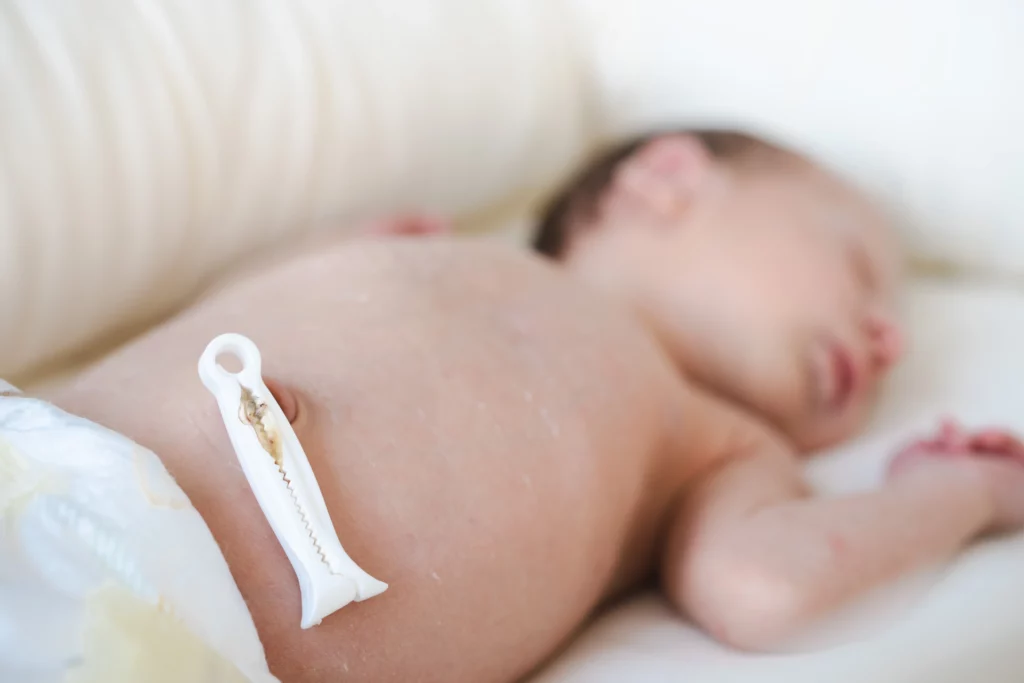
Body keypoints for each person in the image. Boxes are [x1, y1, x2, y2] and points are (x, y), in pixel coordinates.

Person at [11, 130, 1024, 683]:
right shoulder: (441, 247)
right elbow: (216, 317)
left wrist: (958, 493)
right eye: (856, 271)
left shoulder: (718, 443)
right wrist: (332, 254)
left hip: (173, 641)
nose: (887, 336)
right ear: (667, 178)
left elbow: (766, 585)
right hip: (42, 461)